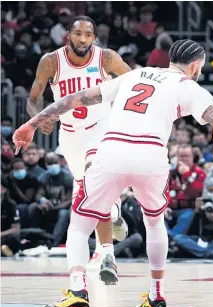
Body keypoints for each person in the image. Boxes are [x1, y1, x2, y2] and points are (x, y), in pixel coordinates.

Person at [12, 39, 213, 307]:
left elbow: (75, 99)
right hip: (151, 156)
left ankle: (77, 288)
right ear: (195, 65)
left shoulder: (135, 74)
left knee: (79, 225)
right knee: (154, 223)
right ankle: (156, 296)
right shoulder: (188, 86)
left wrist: (31, 124)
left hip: (112, 151)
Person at [26, 16, 131, 284]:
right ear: (69, 35)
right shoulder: (51, 61)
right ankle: (112, 222)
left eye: (87, 34)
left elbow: (134, 84)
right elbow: (33, 99)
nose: (82, 39)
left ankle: (108, 254)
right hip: (70, 136)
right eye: (77, 34)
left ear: (94, 37)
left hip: (101, 127)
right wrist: (40, 119)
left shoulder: (106, 58)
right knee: (90, 194)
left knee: (94, 181)